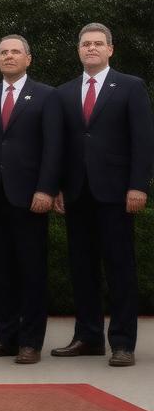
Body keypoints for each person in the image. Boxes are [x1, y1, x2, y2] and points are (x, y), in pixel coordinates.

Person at [52, 23, 154, 367]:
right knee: (82, 268)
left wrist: (138, 185)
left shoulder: (130, 86)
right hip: (77, 192)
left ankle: (123, 343)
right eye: (86, 44)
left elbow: (143, 140)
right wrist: (58, 187)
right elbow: (60, 146)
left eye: (98, 43)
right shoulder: (64, 92)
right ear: (78, 50)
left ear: (110, 49)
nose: (91, 48)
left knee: (120, 268)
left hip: (116, 193)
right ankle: (88, 337)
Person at [0, 36, 61, 364]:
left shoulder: (47, 95)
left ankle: (30, 342)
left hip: (30, 197)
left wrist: (46, 189)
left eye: (15, 52)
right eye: (3, 52)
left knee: (31, 272)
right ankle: (5, 337)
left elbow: (53, 147)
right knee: (0, 271)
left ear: (28, 59)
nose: (8, 56)